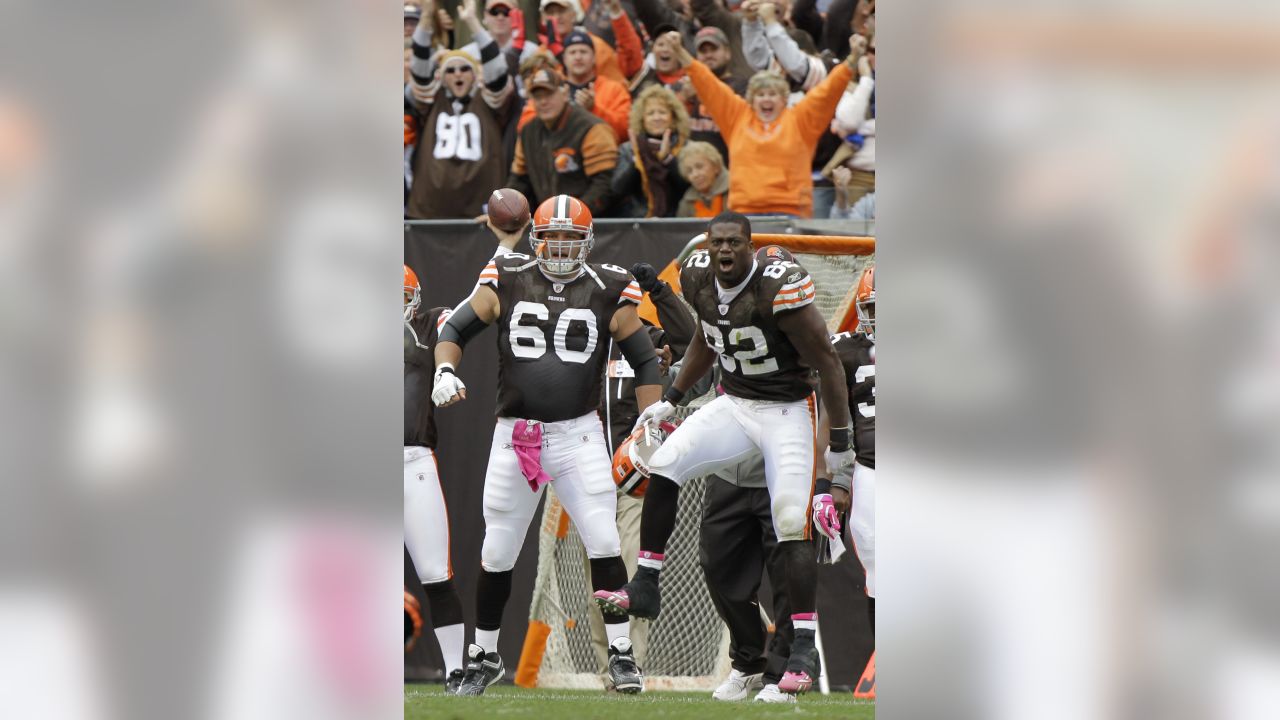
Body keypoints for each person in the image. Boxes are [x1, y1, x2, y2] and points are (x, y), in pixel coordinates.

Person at [594, 212, 856, 695]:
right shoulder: (696, 274)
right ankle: (647, 583)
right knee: (666, 461)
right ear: (709, 245)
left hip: (785, 410)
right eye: (719, 243)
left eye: (735, 243)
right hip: (734, 403)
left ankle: (801, 647)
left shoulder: (778, 289)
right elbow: (707, 339)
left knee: (790, 517)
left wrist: (839, 445)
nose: (726, 251)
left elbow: (829, 366)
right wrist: (673, 397)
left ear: (750, 246)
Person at [432, 194, 661, 696]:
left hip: (578, 434)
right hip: (515, 434)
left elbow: (645, 360)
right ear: (536, 238)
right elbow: (453, 329)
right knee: (497, 550)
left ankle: (622, 656)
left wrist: (649, 419)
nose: (559, 247)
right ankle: (486, 654)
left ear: (587, 240)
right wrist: (444, 369)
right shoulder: (508, 275)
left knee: (602, 539)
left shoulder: (608, 286)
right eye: (551, 237)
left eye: (569, 237)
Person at [658, 30, 858, 217]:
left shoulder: (800, 120)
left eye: (773, 94)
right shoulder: (737, 116)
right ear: (751, 100)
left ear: (784, 99)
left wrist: (852, 60)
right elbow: (708, 84)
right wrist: (680, 52)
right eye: (760, 95)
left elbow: (827, 93)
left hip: (790, 212)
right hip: (744, 213)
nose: (766, 99)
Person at [403, 264, 467, 693]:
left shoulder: (429, 325)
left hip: (412, 461)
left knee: (435, 573)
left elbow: (468, 315)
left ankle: (455, 671)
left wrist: (445, 370)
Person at [406, 0, 518, 219]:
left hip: (481, 211)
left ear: (475, 74)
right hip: (430, 210)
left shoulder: (489, 101)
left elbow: (497, 70)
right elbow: (419, 68)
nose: (458, 74)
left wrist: (474, 24)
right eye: (451, 70)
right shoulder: (432, 101)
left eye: (465, 69)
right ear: (441, 77)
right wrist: (427, 18)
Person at [828, 264, 875, 627]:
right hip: (870, 470)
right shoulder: (844, 350)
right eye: (874, 308)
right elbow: (831, 415)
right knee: (880, 573)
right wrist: (837, 480)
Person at [507, 66, 619, 216]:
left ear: (565, 93)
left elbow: (604, 185)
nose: (543, 102)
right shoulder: (528, 132)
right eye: (537, 96)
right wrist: (504, 211)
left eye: (549, 94)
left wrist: (573, 217)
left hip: (593, 226)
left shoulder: (592, 128)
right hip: (549, 224)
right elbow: (519, 180)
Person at [516, 30, 632, 142]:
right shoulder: (549, 87)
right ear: (564, 59)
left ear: (593, 58)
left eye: (583, 52)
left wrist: (594, 109)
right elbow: (524, 127)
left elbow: (626, 130)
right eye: (572, 52)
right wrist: (557, 113)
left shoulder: (613, 89)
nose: (578, 57)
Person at [611, 84, 691, 217]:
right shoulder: (628, 149)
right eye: (650, 113)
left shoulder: (685, 147)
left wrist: (668, 160)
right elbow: (617, 189)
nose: (657, 118)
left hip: (677, 222)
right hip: (638, 222)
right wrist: (636, 160)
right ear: (642, 119)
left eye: (662, 112)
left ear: (674, 117)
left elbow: (689, 187)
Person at [539, 0, 642, 85]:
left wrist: (618, 16)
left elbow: (628, 65)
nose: (557, 17)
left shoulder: (595, 46)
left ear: (574, 14)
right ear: (543, 19)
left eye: (561, 11)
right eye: (550, 13)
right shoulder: (540, 55)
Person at [675, 141, 730, 217]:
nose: (695, 174)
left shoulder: (734, 191)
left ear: (716, 166)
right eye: (689, 171)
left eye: (699, 167)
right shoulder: (687, 203)